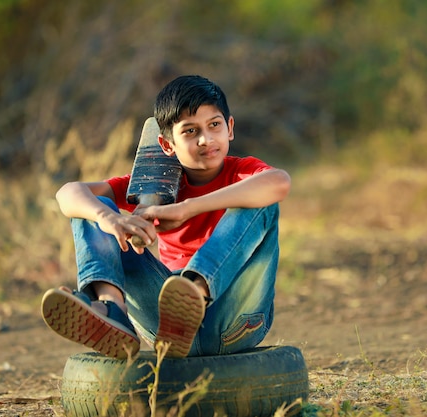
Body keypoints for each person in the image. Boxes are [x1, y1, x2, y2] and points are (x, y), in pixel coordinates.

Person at [42, 75, 291, 359]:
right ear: (167, 144)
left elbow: (279, 182)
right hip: (166, 331)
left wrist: (187, 208)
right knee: (91, 206)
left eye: (214, 125)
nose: (205, 139)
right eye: (190, 131)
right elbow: (67, 192)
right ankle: (112, 309)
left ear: (229, 128)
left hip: (233, 322)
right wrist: (108, 218)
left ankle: (196, 290)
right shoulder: (154, 184)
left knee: (263, 200)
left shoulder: (242, 172)